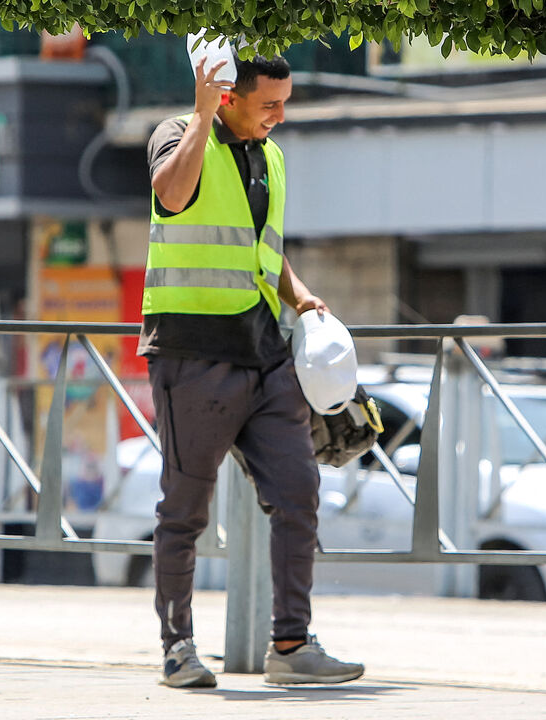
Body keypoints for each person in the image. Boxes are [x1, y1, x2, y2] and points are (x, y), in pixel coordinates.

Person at [141, 50, 363, 688]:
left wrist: (301, 296)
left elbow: (261, 245)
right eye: (270, 103)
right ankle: (178, 649)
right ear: (229, 96)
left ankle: (291, 646)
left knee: (298, 493)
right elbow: (173, 196)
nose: (280, 116)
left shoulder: (272, 157)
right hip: (194, 354)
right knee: (184, 509)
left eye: (285, 102)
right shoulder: (177, 136)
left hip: (266, 354)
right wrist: (203, 114)